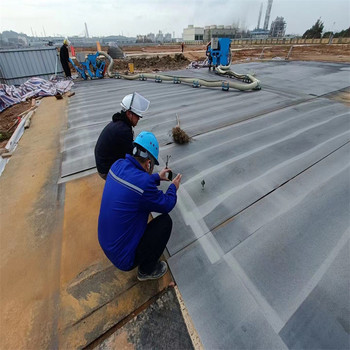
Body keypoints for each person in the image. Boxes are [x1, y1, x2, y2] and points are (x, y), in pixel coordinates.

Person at [98, 131, 182, 281]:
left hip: (106, 243)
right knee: (165, 222)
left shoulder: (117, 164)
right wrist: (173, 187)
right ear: (148, 163)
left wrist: (157, 177)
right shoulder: (143, 184)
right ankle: (146, 270)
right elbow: (166, 204)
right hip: (123, 259)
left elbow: (135, 182)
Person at [94, 92, 150, 180]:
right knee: (137, 171)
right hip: (106, 171)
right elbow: (131, 157)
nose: (139, 118)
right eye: (137, 116)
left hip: (103, 164)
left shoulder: (119, 123)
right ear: (129, 114)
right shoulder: (124, 131)